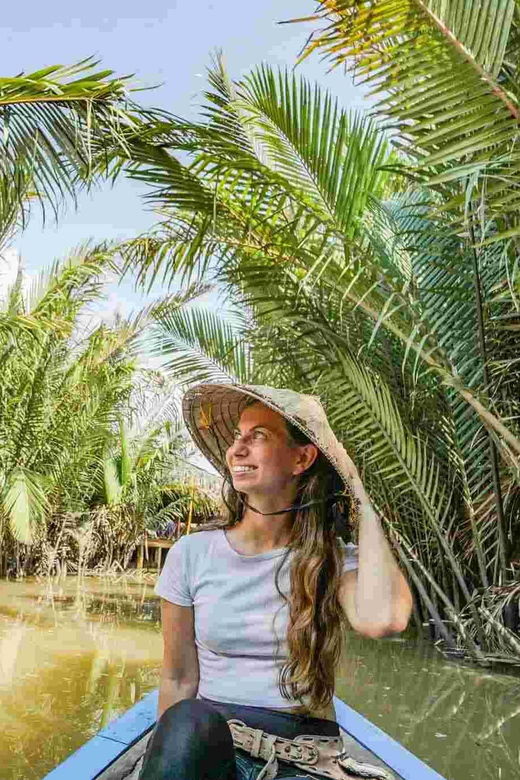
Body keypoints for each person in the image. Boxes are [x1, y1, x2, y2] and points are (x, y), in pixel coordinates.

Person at [139, 383, 413, 780]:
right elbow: (178, 679)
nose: (237, 449)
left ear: (302, 458)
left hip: (303, 754)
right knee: (186, 719)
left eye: (258, 436)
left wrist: (360, 495)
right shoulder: (192, 553)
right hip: (214, 742)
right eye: (237, 437)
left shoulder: (334, 559)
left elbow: (383, 620)